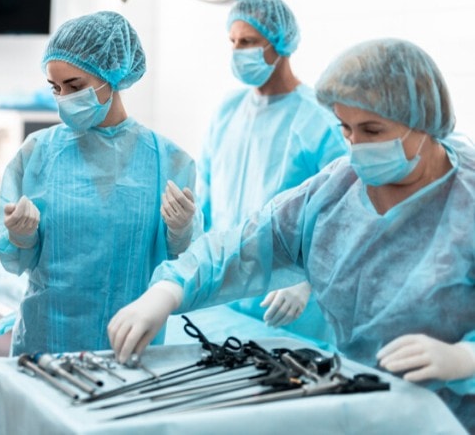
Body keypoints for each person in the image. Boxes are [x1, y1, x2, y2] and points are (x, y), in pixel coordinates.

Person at [108, 38, 475, 430]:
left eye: (372, 129)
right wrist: (169, 291)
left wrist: (464, 360)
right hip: (362, 406)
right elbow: (243, 245)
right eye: (346, 129)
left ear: (425, 122)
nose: (356, 146)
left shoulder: (465, 206)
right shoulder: (336, 190)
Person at [0, 10, 203, 356]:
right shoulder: (37, 154)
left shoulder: (168, 160)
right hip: (47, 339)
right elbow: (15, 259)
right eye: (56, 88)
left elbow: (186, 267)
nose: (64, 98)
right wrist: (19, 236)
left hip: (130, 341)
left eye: (74, 86)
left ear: (112, 77)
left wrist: (181, 231)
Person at [197, 0, 348, 344]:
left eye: (248, 41)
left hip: (289, 305)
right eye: (233, 42)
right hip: (227, 297)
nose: (238, 52)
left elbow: (346, 214)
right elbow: (205, 205)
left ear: (280, 43)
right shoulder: (227, 111)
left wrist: (307, 279)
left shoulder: (318, 119)